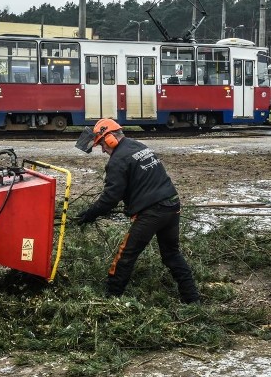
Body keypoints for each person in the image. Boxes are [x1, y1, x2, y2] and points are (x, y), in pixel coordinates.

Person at [75, 118, 200, 303]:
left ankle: (111, 298)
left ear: (110, 139)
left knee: (126, 255)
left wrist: (90, 214)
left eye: (102, 144)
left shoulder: (117, 160)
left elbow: (110, 198)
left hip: (152, 212)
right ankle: (192, 299)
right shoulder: (138, 146)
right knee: (172, 254)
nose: (102, 149)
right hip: (172, 205)